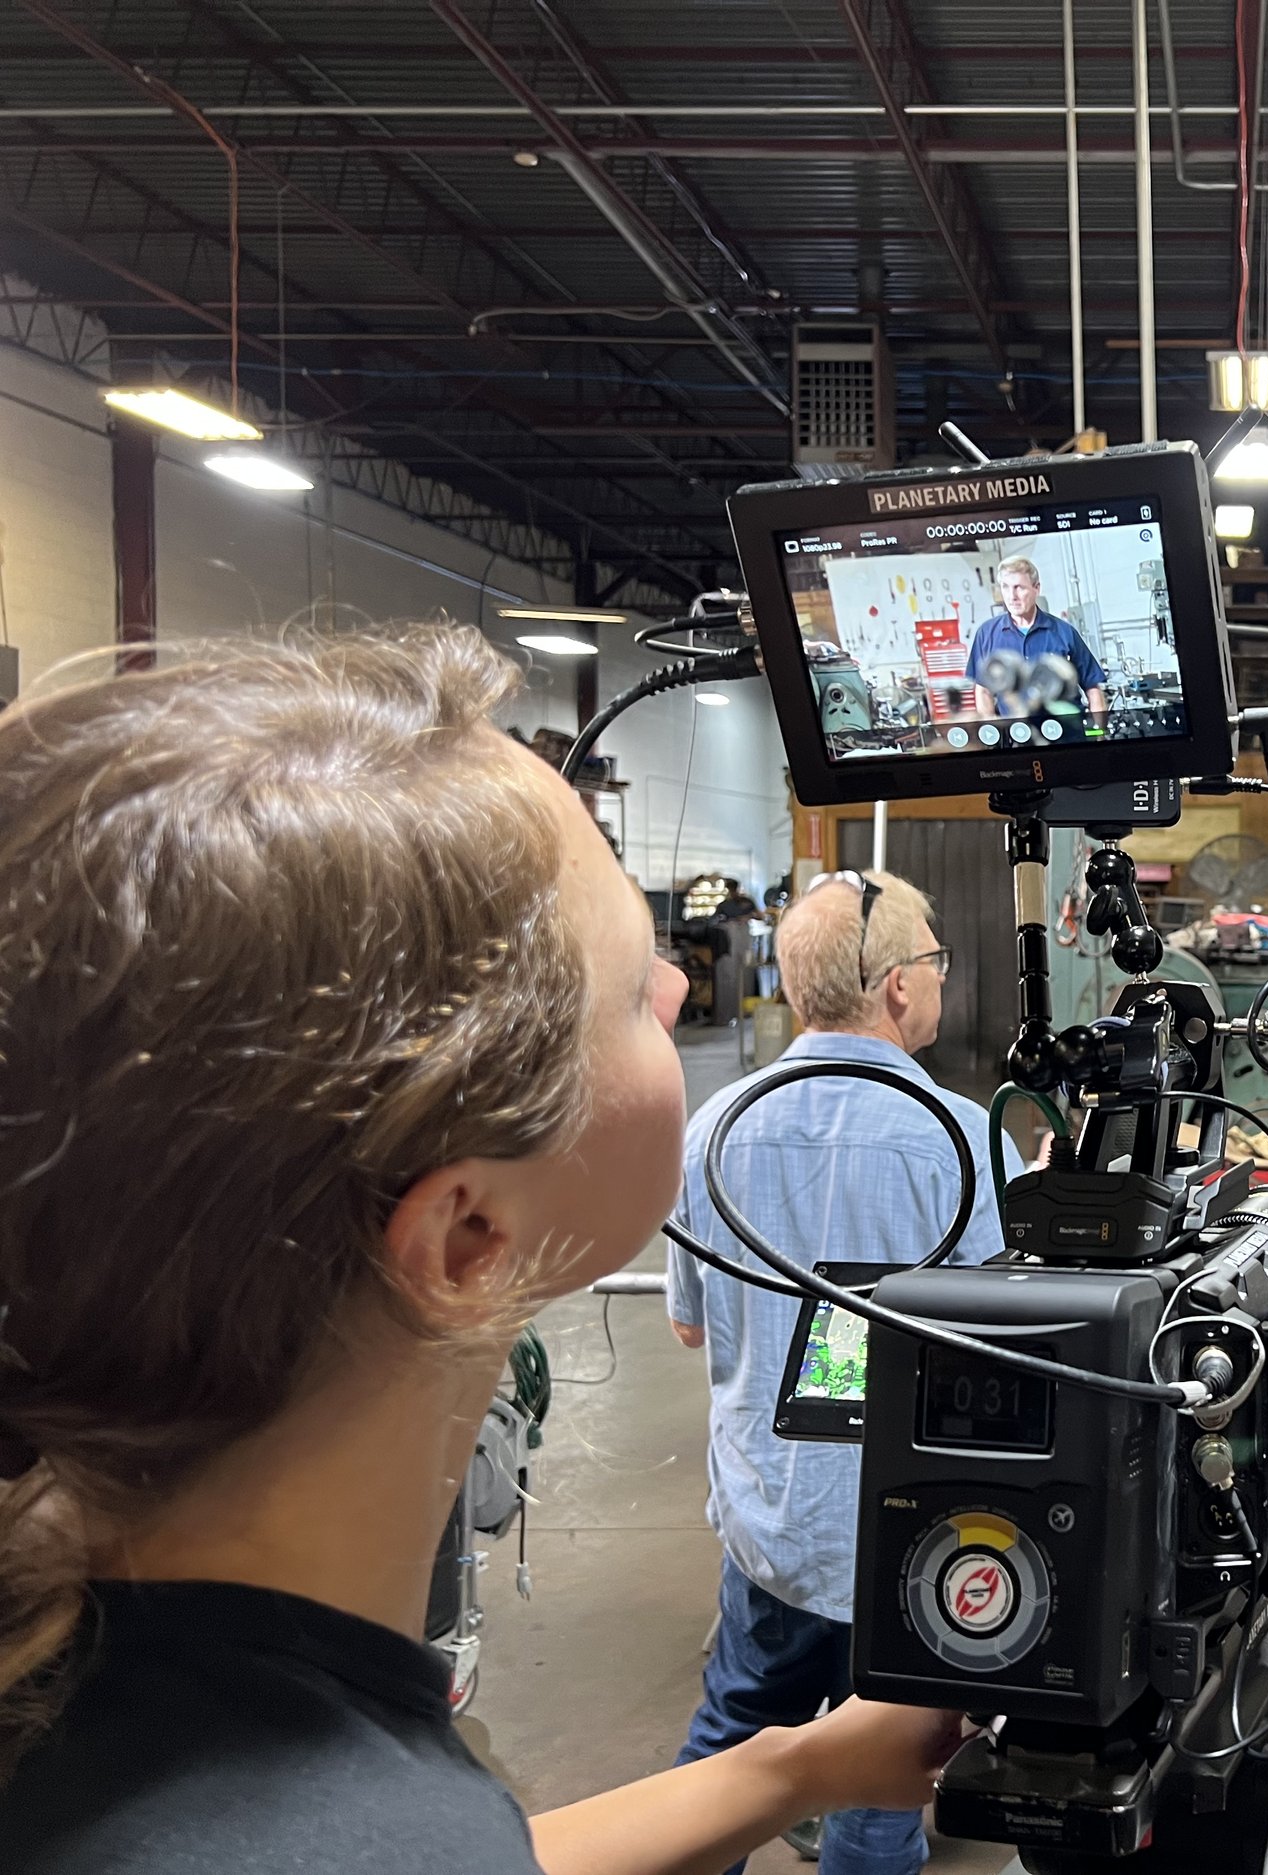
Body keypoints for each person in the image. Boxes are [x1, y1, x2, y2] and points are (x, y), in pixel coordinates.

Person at [0, 627, 962, 1874]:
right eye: (630, 988)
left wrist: (794, 1767)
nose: (679, 996)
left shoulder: (145, 1724)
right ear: (466, 1237)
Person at [666, 868, 1018, 1875]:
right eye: (936, 963)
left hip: (768, 1521)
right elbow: (1004, 1350)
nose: (940, 983)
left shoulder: (715, 1129)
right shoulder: (963, 1143)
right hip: (908, 1532)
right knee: (883, 1775)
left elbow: (693, 1330)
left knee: (733, 1738)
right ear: (898, 987)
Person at [966, 557, 1109, 719]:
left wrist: (1100, 734)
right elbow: (983, 690)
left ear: (1036, 588)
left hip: (1067, 734)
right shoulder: (986, 634)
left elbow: (1093, 688)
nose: (1012, 596)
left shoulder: (1064, 632)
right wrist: (992, 736)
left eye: (1019, 587)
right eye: (1005, 587)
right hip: (1019, 735)